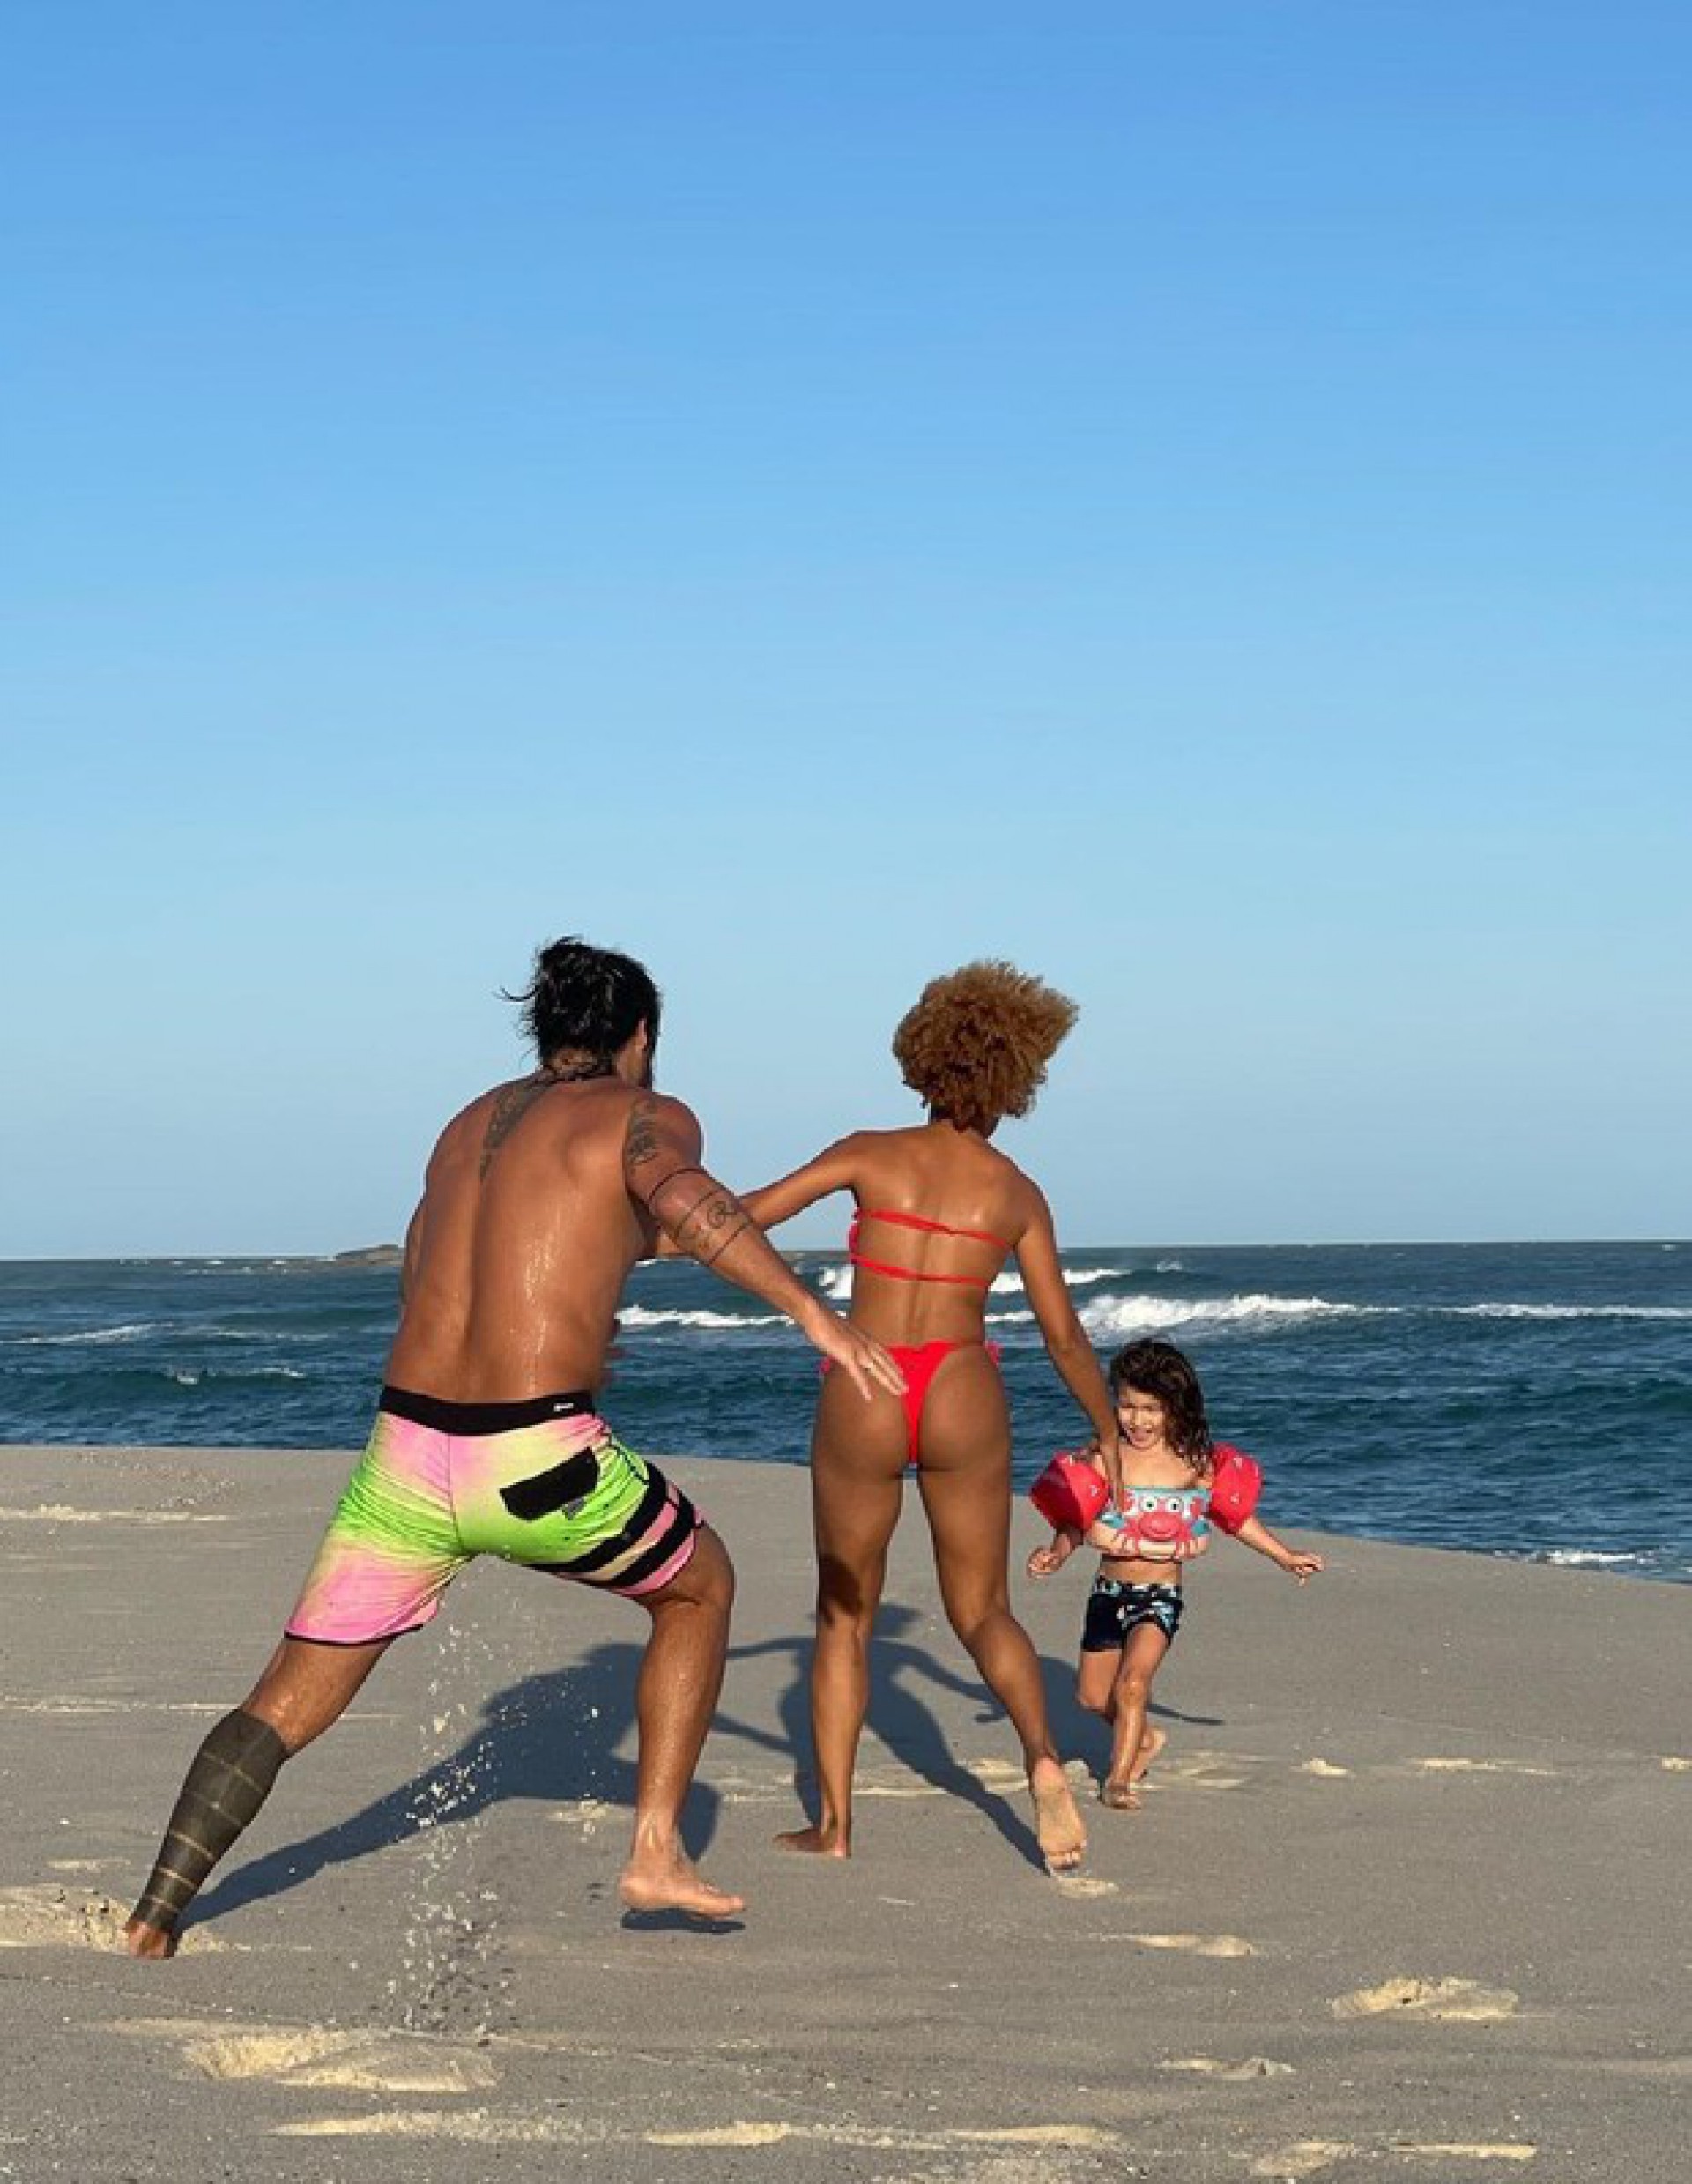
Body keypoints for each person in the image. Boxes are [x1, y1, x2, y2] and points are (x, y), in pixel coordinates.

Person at [124, 937, 903, 1956]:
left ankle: (154, 1914)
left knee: (280, 1704)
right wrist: (816, 1313)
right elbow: (679, 1195)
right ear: (640, 1036)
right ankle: (657, 1850)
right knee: (700, 1585)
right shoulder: (644, 1114)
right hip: (535, 1461)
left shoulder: (465, 1127)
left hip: (403, 1453)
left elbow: (425, 1264)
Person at [731, 961, 1122, 1871]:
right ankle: (1040, 1760)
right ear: (1018, 1074)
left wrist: (649, 1231)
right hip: (961, 1384)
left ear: (924, 1053)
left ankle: (833, 1826)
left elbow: (745, 1220)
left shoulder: (870, 1152)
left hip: (868, 1382)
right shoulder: (1016, 1191)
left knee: (842, 1616)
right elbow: (1063, 1334)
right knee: (984, 1609)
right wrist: (1104, 1427)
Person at [1028, 1338, 1323, 1809]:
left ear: (1173, 1409)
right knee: (1089, 1697)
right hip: (1107, 1590)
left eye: (1151, 1409)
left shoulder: (1195, 1465)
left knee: (1133, 1683)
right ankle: (1144, 1738)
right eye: (1127, 1406)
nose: (1137, 1420)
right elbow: (1078, 1522)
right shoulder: (1106, 1460)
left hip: (1158, 1595)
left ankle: (1119, 1779)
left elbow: (1236, 1519)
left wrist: (1284, 1556)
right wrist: (1056, 1553)